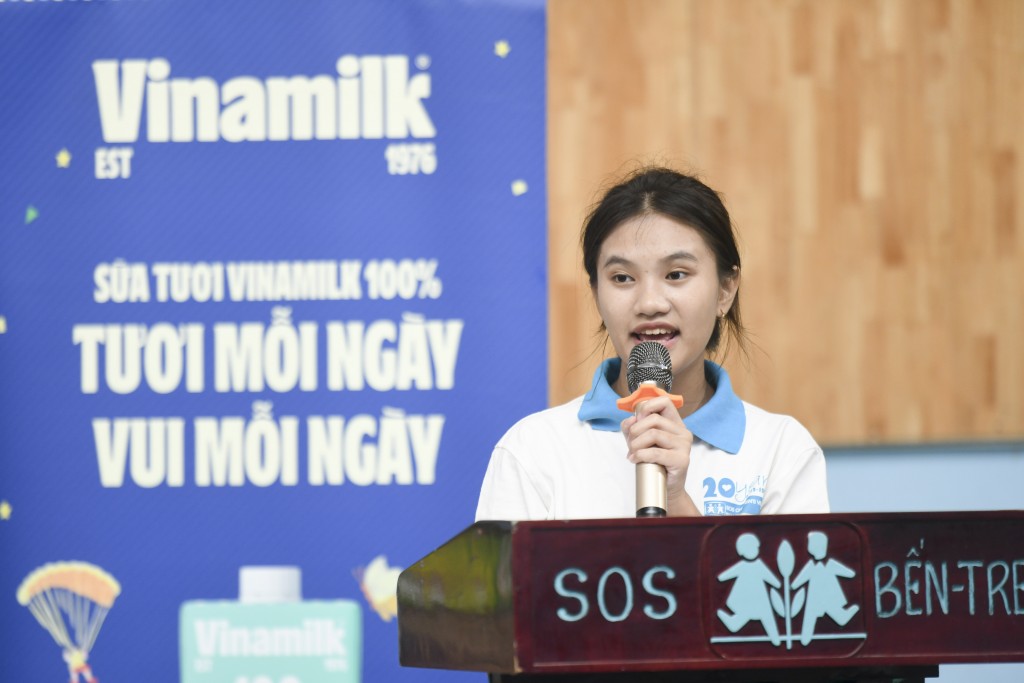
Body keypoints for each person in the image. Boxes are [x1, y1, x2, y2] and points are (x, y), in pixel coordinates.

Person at [475, 167, 829, 521]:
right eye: (622, 278)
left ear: (725, 289)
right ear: (596, 293)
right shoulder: (532, 451)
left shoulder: (782, 452)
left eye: (676, 274)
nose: (649, 304)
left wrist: (677, 501)